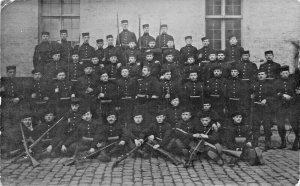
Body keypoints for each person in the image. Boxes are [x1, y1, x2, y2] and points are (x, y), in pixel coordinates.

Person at [250, 69, 275, 151]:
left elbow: (273, 96)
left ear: (266, 75)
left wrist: (266, 100)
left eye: (262, 74)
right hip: (256, 108)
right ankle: (255, 143)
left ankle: (268, 144)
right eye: (259, 74)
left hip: (266, 108)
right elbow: (251, 93)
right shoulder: (254, 84)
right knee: (255, 126)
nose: (260, 76)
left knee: (267, 126)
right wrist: (252, 96)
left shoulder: (270, 85)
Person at [274, 65, 295, 149]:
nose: (285, 74)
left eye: (287, 73)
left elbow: (296, 93)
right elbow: (273, 93)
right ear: (280, 74)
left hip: (291, 106)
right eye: (283, 73)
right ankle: (283, 141)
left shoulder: (293, 82)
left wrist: (291, 97)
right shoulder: (276, 82)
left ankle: (297, 141)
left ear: (289, 73)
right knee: (280, 125)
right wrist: (283, 95)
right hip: (280, 106)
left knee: (294, 123)